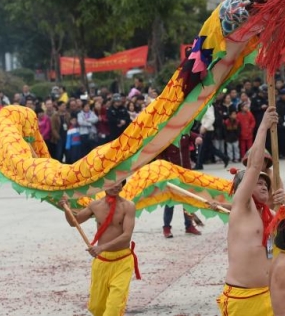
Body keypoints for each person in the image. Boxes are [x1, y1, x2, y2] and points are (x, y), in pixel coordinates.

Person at [216, 106, 283, 315]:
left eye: (266, 184)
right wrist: (263, 126)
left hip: (269, 295)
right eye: (258, 183)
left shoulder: (269, 214)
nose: (264, 185)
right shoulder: (243, 207)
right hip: (241, 300)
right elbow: (254, 167)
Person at [59, 179, 140, 316]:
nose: (117, 186)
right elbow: (75, 222)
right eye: (113, 183)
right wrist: (66, 209)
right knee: (97, 308)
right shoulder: (95, 205)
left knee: (114, 307)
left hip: (122, 261)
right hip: (102, 262)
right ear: (104, 185)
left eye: (120, 182)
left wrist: (102, 247)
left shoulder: (129, 206)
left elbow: (127, 235)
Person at [159, 134, 202, 238]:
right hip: (171, 174)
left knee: (187, 200)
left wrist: (197, 138)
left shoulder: (185, 131)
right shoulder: (167, 134)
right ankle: (166, 227)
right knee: (170, 202)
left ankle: (189, 226)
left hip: (186, 173)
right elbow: (159, 155)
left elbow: (194, 135)